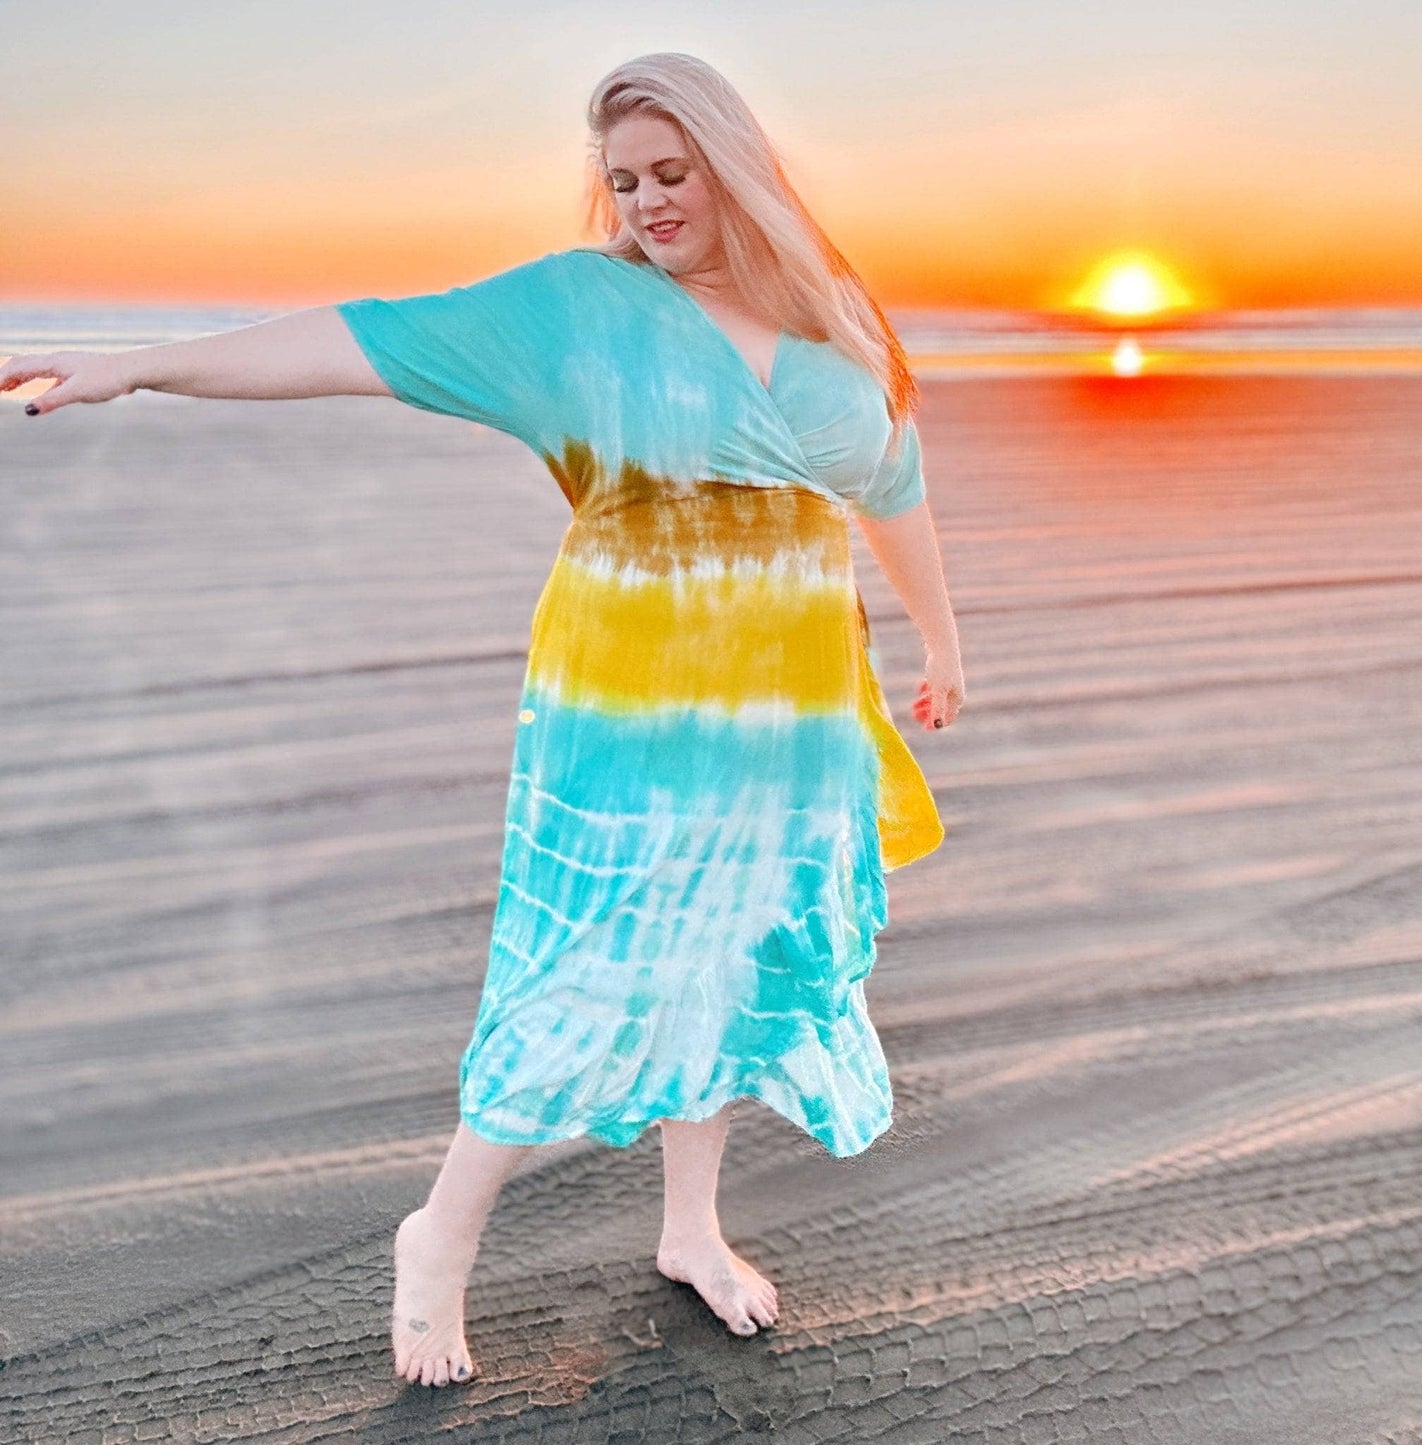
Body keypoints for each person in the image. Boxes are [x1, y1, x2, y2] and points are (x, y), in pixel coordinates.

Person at [1, 52, 966, 1388]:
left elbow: (894, 479)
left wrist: (938, 631)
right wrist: (142, 366)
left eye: (669, 173)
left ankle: (691, 1225)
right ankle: (437, 1234)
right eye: (622, 181)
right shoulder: (580, 312)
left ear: (736, 167)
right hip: (627, 706)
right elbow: (367, 339)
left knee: (734, 957)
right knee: (581, 967)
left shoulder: (835, 320)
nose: (643, 202)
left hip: (791, 713)